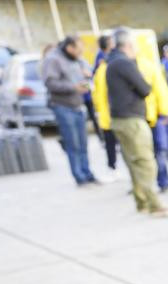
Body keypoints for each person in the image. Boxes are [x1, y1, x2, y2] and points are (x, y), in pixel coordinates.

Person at [104, 28, 168, 217]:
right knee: (145, 164)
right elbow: (145, 89)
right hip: (132, 120)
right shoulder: (124, 63)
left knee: (134, 163)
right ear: (128, 45)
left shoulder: (110, 63)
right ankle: (155, 205)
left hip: (119, 120)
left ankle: (141, 202)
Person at [42, 36, 98, 186]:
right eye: (78, 50)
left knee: (83, 143)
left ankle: (87, 173)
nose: (81, 53)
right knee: (73, 144)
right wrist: (73, 88)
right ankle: (79, 176)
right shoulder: (53, 59)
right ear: (70, 48)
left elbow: (87, 70)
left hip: (78, 105)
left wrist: (87, 74)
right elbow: (50, 83)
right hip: (63, 106)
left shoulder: (76, 59)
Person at [94, 35, 119, 176]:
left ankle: (113, 168)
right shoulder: (104, 66)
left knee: (113, 142)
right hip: (110, 112)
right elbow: (99, 93)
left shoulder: (103, 66)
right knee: (111, 142)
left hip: (110, 112)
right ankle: (112, 167)